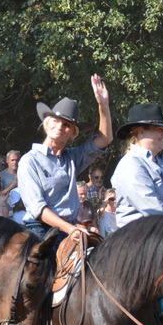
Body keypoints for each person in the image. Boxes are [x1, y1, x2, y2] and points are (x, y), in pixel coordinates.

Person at [17, 77, 114, 241]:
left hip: (70, 229)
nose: (59, 127)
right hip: (40, 231)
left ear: (73, 133)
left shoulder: (72, 157)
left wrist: (103, 105)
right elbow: (37, 208)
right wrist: (70, 229)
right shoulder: (29, 161)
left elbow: (105, 139)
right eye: (55, 121)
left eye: (66, 125)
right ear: (47, 124)